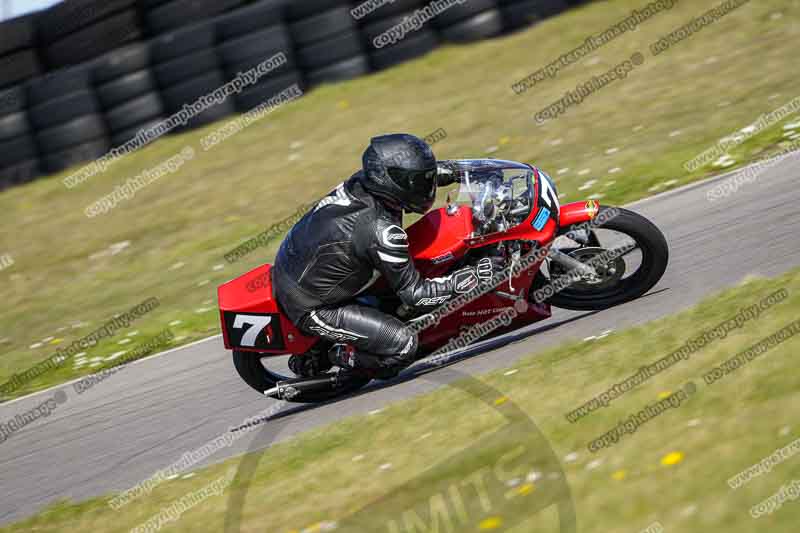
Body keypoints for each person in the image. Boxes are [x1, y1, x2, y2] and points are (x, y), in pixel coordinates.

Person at [271, 133, 499, 379]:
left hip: (305, 263)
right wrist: (473, 277)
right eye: (415, 181)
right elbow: (416, 295)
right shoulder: (380, 230)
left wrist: (463, 172)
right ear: (392, 182)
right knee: (404, 344)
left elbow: (420, 175)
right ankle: (333, 356)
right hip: (312, 305)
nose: (424, 186)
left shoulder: (366, 181)